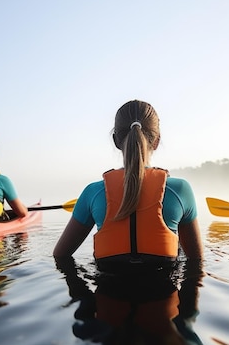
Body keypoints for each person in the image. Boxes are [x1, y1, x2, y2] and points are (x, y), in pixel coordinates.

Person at [53, 100, 203, 268]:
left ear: (116, 141)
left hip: (106, 291)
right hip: (165, 292)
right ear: (157, 141)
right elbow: (196, 261)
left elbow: (60, 256)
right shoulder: (180, 190)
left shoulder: (92, 192)